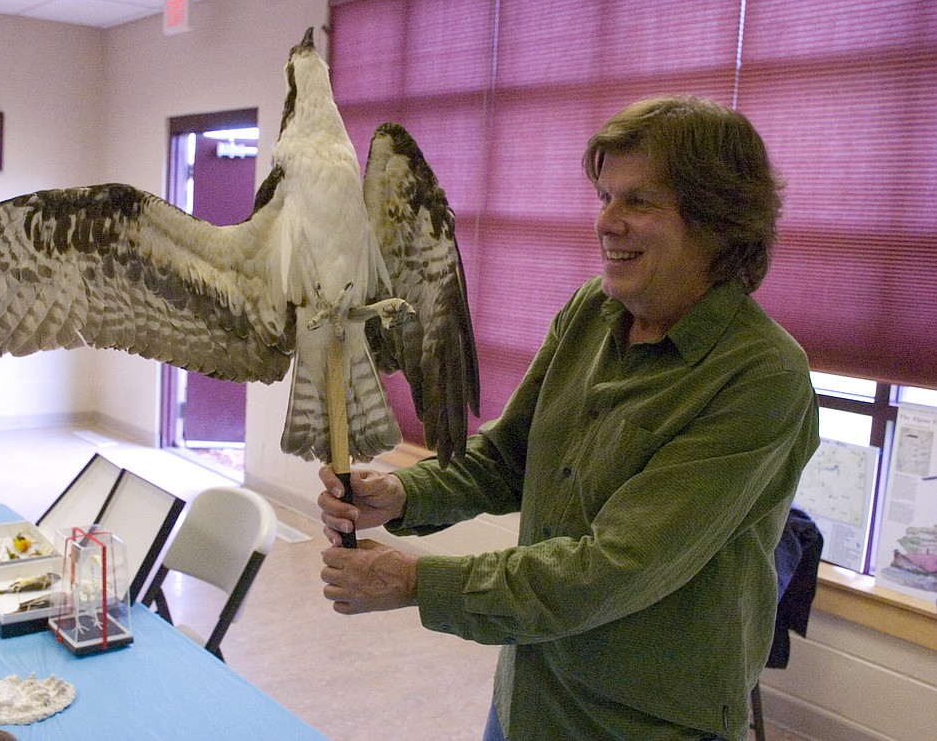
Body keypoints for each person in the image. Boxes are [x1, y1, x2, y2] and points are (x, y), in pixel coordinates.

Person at [316, 95, 820, 741]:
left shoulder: (761, 378)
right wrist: (401, 494)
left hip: (640, 721)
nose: (607, 222)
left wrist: (414, 581)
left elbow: (612, 569)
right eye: (604, 197)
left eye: (638, 201)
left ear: (717, 221)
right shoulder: (594, 311)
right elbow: (508, 458)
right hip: (534, 687)